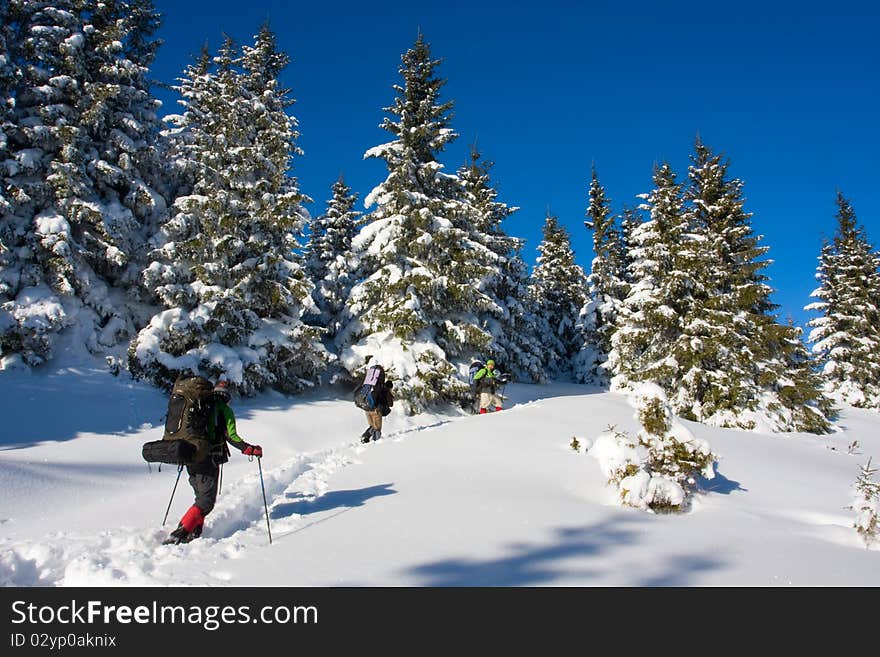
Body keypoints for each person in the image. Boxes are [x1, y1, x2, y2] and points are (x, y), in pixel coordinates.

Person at [164, 379, 263, 545]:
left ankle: (195, 531)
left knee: (201, 496)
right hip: (208, 457)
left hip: (190, 454)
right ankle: (181, 532)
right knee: (206, 501)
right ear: (228, 395)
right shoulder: (224, 410)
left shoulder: (200, 405)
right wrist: (250, 449)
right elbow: (231, 436)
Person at [359, 364, 394, 443]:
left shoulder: (369, 385)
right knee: (377, 429)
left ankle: (365, 438)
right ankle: (376, 445)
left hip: (367, 409)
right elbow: (390, 403)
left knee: (373, 426)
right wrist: (388, 390)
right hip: (376, 410)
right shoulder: (382, 387)